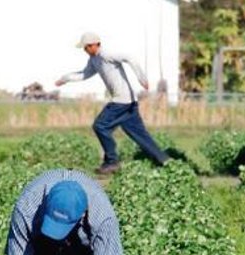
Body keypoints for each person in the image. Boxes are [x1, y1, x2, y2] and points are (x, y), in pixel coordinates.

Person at [55, 31, 169, 175]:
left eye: (86, 47)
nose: (85, 51)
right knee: (139, 134)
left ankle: (111, 162)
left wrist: (142, 78)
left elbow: (130, 58)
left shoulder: (107, 54)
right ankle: (164, 160)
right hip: (129, 102)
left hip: (121, 101)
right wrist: (65, 78)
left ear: (94, 45)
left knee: (100, 126)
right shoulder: (94, 60)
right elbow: (85, 74)